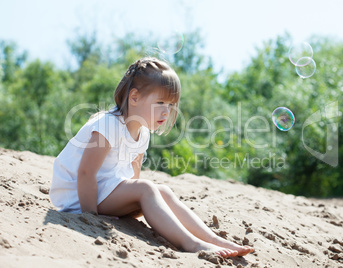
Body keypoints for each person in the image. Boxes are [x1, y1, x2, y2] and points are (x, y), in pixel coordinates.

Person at [50, 57, 253, 258]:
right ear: (135, 97)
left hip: (105, 190)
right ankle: (191, 243)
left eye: (171, 105)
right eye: (161, 102)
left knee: (162, 190)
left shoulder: (143, 133)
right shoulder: (108, 125)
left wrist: (132, 199)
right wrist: (90, 217)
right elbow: (86, 173)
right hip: (78, 197)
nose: (166, 111)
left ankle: (214, 240)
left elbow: (132, 177)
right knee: (147, 188)